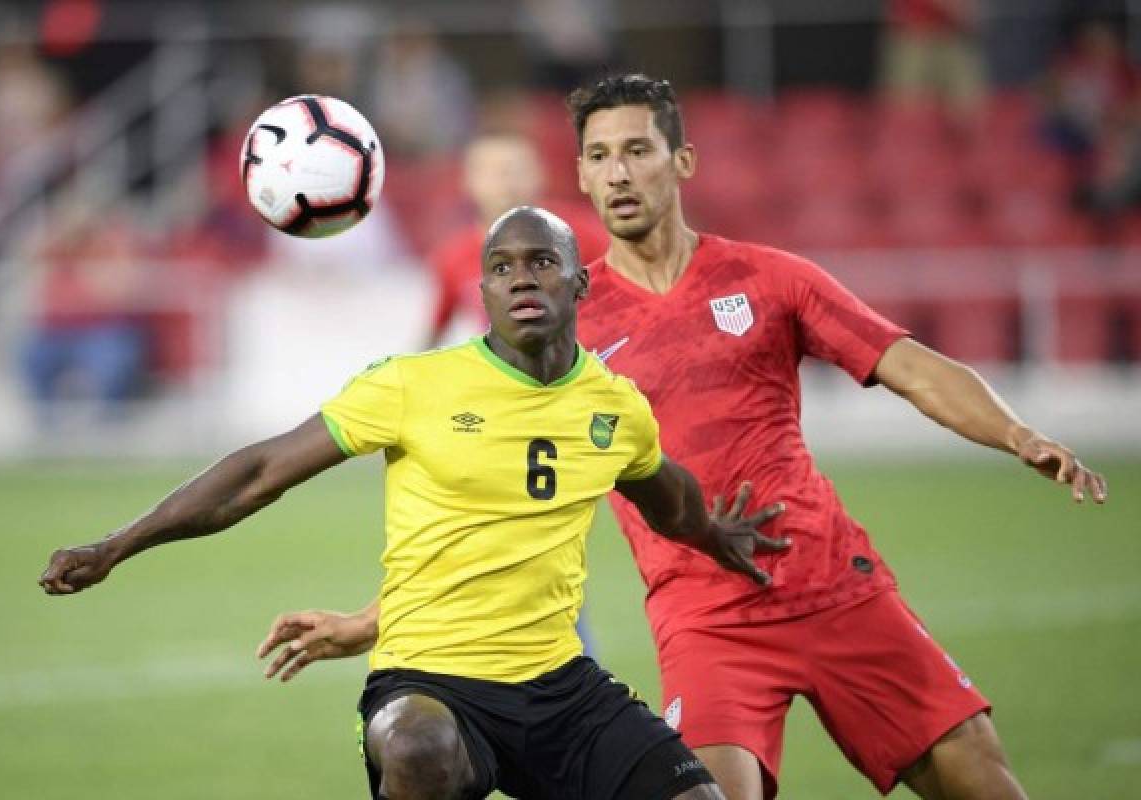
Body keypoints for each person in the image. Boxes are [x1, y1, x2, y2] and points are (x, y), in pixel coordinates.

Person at [269, 76, 1108, 800]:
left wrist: (1013, 431)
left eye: (637, 150)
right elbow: (491, 514)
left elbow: (908, 364)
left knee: (983, 778)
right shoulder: (562, 328)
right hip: (705, 620)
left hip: (835, 586)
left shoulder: (772, 279)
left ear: (683, 162)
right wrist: (376, 623)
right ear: (581, 181)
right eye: (597, 157)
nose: (618, 173)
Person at [39, 206, 793, 800]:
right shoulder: (413, 385)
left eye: (541, 263)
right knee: (415, 747)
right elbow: (259, 471)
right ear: (485, 292)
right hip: (431, 681)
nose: (521, 279)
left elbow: (669, 496)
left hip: (560, 685)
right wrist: (118, 544)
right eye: (502, 268)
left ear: (580, 282)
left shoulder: (614, 407)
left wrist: (716, 536)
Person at [427, 129, 608, 348]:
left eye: (515, 170)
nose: (506, 182)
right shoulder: (453, 258)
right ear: (467, 181)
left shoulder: (585, 235)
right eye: (492, 172)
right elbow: (435, 333)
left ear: (539, 174)